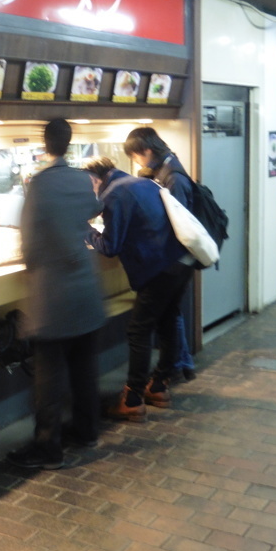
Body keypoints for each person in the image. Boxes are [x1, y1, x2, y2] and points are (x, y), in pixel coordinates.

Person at [6, 119, 107, 469]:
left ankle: (48, 448)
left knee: (48, 378)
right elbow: (94, 211)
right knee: (84, 369)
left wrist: (34, 262)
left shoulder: (40, 184)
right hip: (86, 289)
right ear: (69, 141)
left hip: (53, 295)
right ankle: (87, 431)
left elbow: (29, 244)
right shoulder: (82, 178)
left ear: (45, 143)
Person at [83, 155, 194, 421]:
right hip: (181, 261)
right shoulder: (143, 183)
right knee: (167, 320)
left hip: (158, 268)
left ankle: (132, 399)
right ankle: (159, 386)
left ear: (94, 179)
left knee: (139, 330)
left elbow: (110, 247)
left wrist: (84, 231)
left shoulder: (113, 194)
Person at [123, 127, 198, 385]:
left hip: (174, 262)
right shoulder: (167, 167)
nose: (136, 163)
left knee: (150, 325)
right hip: (179, 261)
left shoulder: (173, 177)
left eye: (136, 157)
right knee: (169, 317)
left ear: (146, 150)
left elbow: (175, 221)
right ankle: (172, 371)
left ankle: (162, 376)